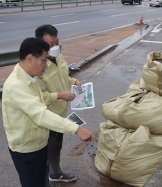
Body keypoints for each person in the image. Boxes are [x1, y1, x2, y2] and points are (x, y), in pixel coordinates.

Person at [1, 37, 96, 187]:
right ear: (30, 58)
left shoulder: (30, 78)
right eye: (44, 60)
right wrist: (76, 128)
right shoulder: (16, 87)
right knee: (33, 182)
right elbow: (41, 114)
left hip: (39, 143)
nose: (46, 65)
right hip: (27, 150)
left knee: (42, 179)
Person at [34, 24, 81, 182]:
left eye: (57, 42)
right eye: (50, 45)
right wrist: (59, 95)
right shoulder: (38, 65)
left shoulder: (58, 56)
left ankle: (55, 173)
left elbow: (64, 77)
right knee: (47, 151)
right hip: (47, 117)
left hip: (60, 114)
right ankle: (46, 178)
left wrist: (74, 81)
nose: (55, 47)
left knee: (56, 147)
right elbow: (38, 96)